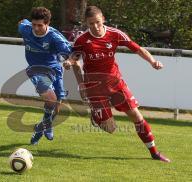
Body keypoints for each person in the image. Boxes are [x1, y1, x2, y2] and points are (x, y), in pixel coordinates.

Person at [63, 6, 170, 162]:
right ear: (87, 23)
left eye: (98, 22)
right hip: (94, 87)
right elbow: (74, 56)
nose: (95, 26)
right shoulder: (82, 40)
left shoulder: (115, 34)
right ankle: (97, 116)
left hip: (116, 83)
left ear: (103, 19)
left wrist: (153, 61)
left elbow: (138, 49)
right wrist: (69, 62)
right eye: (91, 23)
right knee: (110, 128)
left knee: (136, 116)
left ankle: (154, 153)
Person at [18, 7, 72, 145]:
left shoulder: (55, 37)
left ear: (47, 23)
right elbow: (21, 23)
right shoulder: (25, 28)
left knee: (57, 107)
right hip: (35, 70)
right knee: (51, 98)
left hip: (54, 70)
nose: (36, 28)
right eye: (34, 24)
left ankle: (41, 128)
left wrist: (68, 61)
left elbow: (69, 53)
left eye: (40, 25)